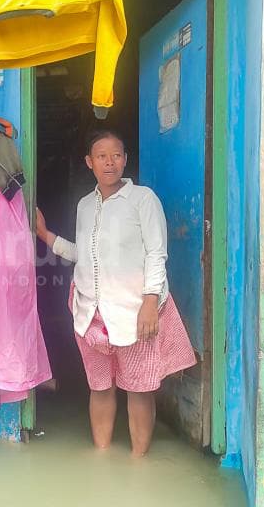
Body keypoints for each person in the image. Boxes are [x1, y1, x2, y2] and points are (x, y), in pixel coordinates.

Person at [35, 130, 196, 456]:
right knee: (100, 389)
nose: (110, 162)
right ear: (89, 162)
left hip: (134, 313)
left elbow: (156, 253)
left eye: (116, 155)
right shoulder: (85, 205)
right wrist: (45, 234)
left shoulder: (143, 199)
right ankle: (102, 457)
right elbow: (84, 254)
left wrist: (150, 302)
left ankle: (138, 463)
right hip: (90, 316)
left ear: (125, 159)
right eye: (102, 156)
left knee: (139, 392)